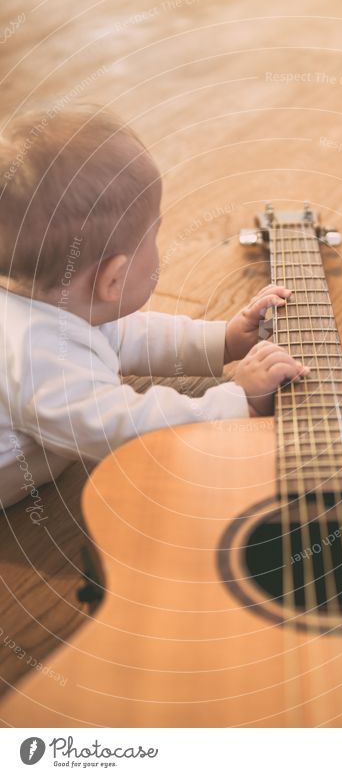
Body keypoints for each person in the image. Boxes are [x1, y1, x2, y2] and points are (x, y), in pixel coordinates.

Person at [0, 105, 309, 509]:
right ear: (113, 279)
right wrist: (237, 400)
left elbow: (126, 334)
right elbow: (126, 431)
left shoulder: (51, 300)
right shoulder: (39, 356)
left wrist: (224, 340)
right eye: (154, 237)